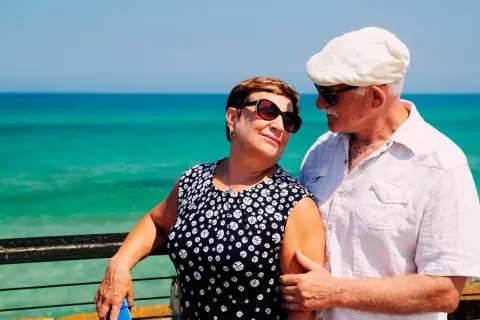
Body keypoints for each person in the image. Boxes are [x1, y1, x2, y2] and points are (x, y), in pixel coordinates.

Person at [280, 27, 480, 320]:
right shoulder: (321, 150)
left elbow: (446, 291)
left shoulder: (441, 165)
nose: (319, 104)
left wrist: (336, 292)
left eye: (329, 94)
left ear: (375, 97)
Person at [94, 76, 325, 320]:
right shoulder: (195, 180)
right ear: (233, 118)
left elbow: (303, 312)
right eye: (267, 111)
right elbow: (157, 223)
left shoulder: (294, 204)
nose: (279, 125)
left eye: (288, 120)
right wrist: (119, 263)